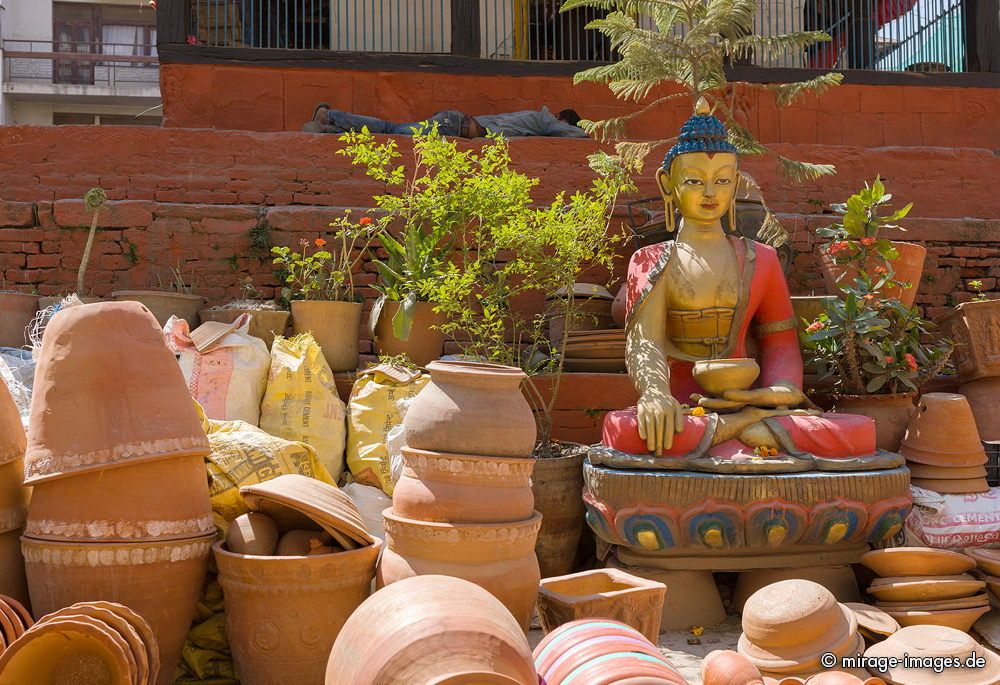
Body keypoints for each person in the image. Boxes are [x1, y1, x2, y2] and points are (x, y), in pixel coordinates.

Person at [599, 97, 880, 466]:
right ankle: (746, 431)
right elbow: (644, 343)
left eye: (722, 181)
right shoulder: (650, 260)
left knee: (860, 430)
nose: (710, 193)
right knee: (626, 429)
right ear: (668, 184)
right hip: (682, 408)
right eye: (695, 181)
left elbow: (779, 341)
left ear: (736, 183)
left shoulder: (759, 258)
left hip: (749, 398)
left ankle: (741, 429)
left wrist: (778, 392)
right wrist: (654, 393)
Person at [302, 103, 588, 138]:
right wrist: (590, 131)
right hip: (454, 125)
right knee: (392, 130)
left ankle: (328, 128)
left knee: (391, 133)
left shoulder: (529, 119)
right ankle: (331, 115)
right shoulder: (544, 119)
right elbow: (571, 134)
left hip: (457, 123)